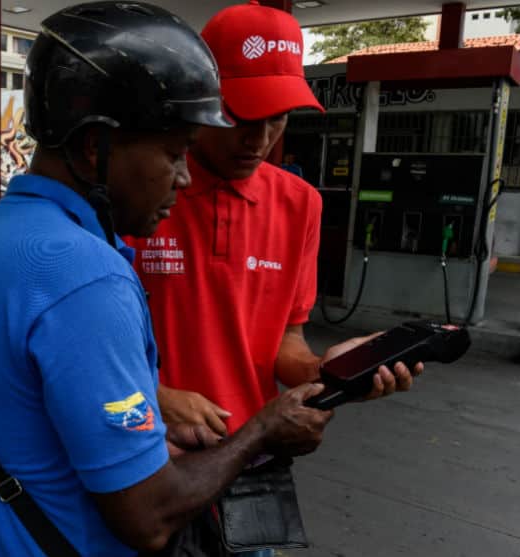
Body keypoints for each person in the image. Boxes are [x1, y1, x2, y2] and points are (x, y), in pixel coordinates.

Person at [0, 3, 335, 556]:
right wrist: (262, 430)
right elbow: (148, 516)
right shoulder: (85, 273)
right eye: (175, 154)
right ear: (94, 147)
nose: (183, 177)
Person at [129, 4, 424, 554]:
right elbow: (82, 342)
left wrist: (331, 371)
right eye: (241, 115)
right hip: (146, 465)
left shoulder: (300, 204)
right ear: (200, 97)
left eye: (278, 117)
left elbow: (283, 340)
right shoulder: (140, 191)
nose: (260, 138)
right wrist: (153, 397)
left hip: (249, 465)